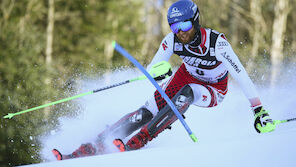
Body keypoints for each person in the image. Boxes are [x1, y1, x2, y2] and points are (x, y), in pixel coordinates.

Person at [52, 0, 276, 160]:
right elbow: (154, 66)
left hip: (214, 89)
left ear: (195, 22)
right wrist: (159, 72)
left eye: (185, 26)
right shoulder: (172, 40)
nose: (181, 32)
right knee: (146, 110)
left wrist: (258, 109)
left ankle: (141, 139)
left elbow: (240, 74)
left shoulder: (218, 43)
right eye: (175, 27)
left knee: (188, 91)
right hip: (186, 76)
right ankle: (95, 143)